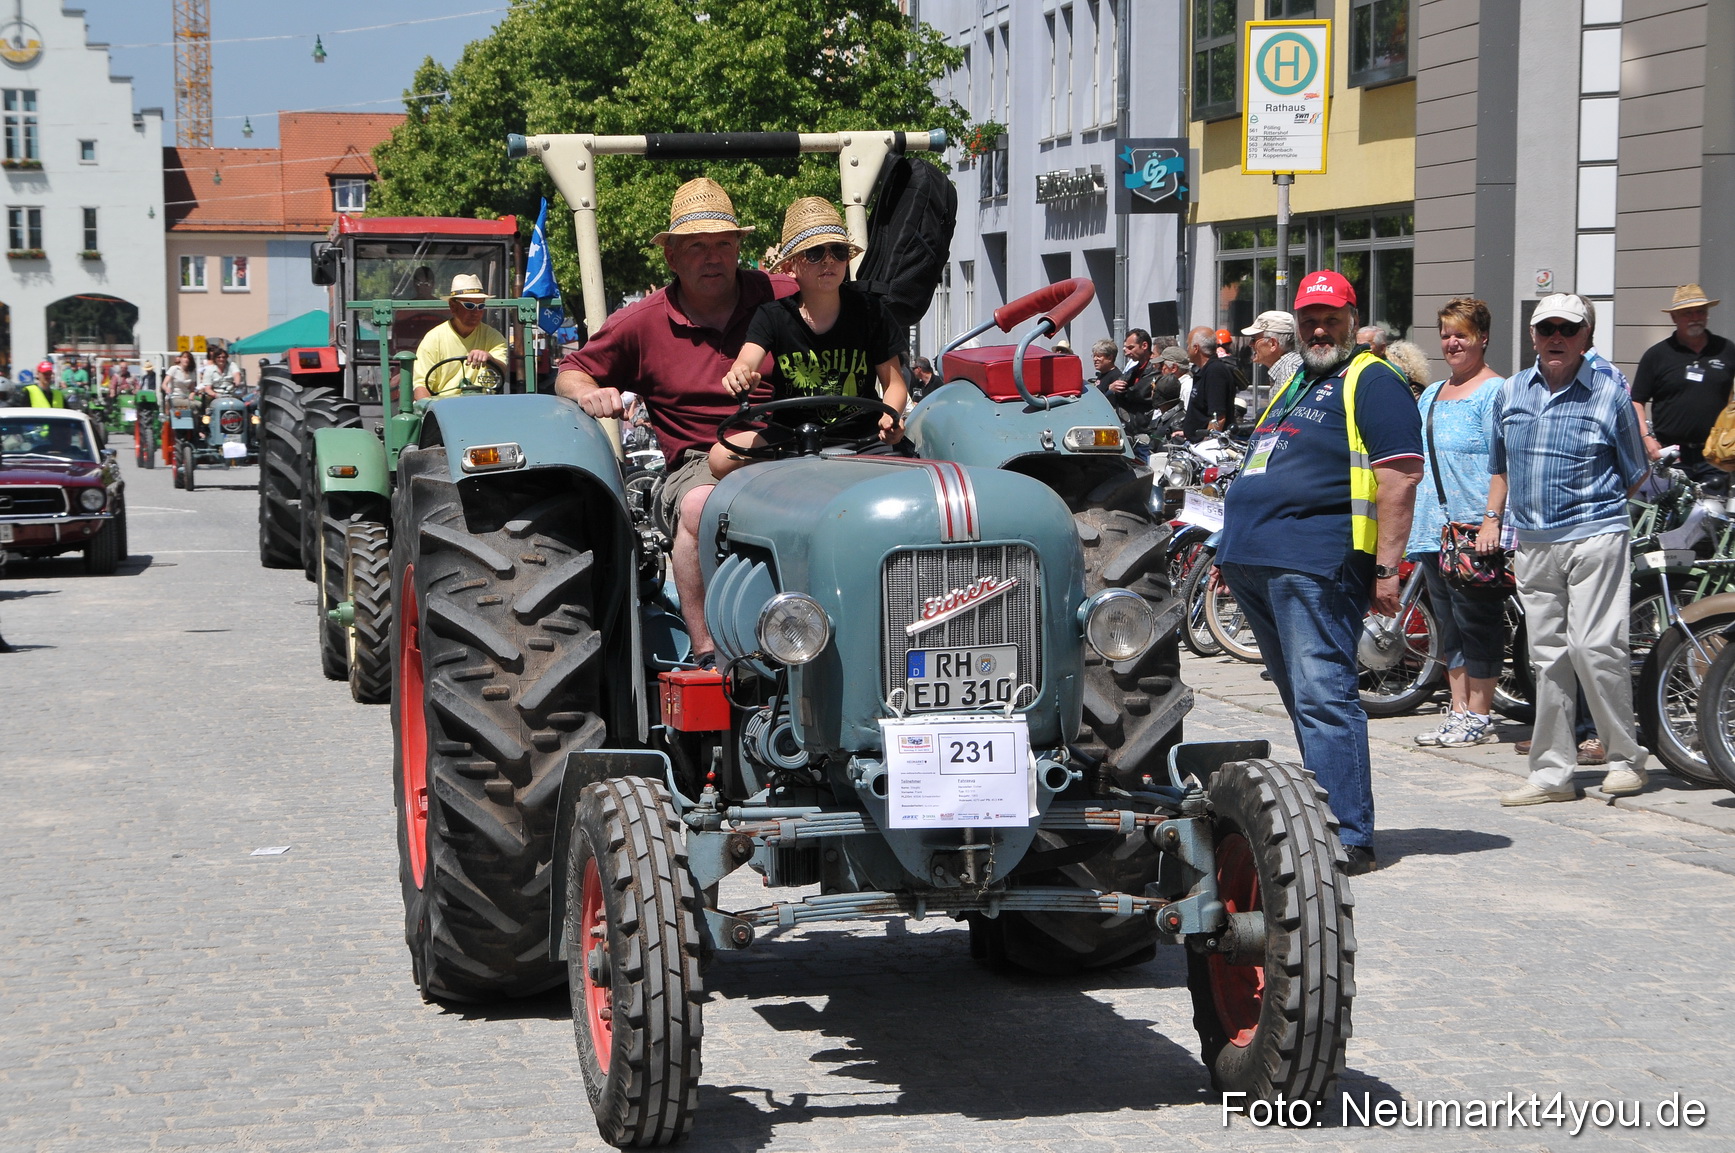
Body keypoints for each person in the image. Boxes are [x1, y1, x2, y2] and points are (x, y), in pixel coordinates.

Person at [1212, 269, 1424, 874]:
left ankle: (1349, 834)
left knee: (1324, 697)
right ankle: (1321, 818)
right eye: (1309, 318)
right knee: (1301, 697)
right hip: (1258, 562)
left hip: (1317, 562)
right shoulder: (1299, 379)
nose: (1319, 327)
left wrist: (1387, 569)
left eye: (1331, 318)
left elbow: (1400, 476)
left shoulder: (1372, 380)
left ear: (1353, 321)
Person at [556, 177, 796, 668]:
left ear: (739, 249)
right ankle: (708, 653)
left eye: (724, 244)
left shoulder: (783, 297)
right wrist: (590, 392)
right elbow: (571, 371)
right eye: (697, 247)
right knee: (700, 505)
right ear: (671, 257)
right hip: (698, 462)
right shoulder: (641, 323)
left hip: (793, 445)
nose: (713, 257)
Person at [1477, 294, 1650, 806]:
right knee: (1546, 657)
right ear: (1532, 335)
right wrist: (1495, 519)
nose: (1556, 337)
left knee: (1595, 648)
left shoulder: (1608, 392)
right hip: (1533, 541)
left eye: (1567, 329)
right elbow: (1500, 464)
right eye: (1546, 327)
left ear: (1585, 338)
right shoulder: (1509, 392)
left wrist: (1596, 516)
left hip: (1595, 534)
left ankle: (1624, 759)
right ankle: (1553, 774)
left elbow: (1635, 470)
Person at [712, 197, 906, 480]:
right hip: (791, 438)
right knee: (719, 457)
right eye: (815, 253)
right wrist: (741, 375)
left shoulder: (870, 311)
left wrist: (891, 417)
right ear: (790, 267)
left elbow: (894, 385)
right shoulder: (772, 316)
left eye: (838, 251)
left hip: (862, 436)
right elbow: (747, 360)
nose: (829, 260)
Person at [1404, 298, 1508, 749]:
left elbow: (1503, 464)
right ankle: (1459, 709)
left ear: (1483, 338)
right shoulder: (1431, 393)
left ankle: (1480, 715)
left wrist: (1491, 520)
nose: (1452, 342)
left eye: (1461, 334)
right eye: (1446, 333)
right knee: (1447, 624)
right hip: (1432, 529)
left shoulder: (1495, 392)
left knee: (1477, 622)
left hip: (1471, 529)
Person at [1632, 283, 1732, 493]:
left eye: (1700, 311)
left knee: (1712, 520)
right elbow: (1636, 401)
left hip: (1715, 457)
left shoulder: (1726, 350)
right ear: (1674, 318)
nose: (1695, 317)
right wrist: (1646, 439)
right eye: (1688, 313)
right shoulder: (1657, 355)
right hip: (1672, 455)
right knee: (1669, 522)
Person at [413, 274, 508, 400]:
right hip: (444, 410)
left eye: (481, 306)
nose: (476, 312)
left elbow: (502, 369)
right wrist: (430, 413)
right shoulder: (433, 339)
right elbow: (421, 387)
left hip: (483, 408)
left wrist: (490, 359)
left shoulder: (493, 337)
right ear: (453, 307)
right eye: (469, 306)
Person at [1181, 326, 1236, 441]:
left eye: (1188, 345)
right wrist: (1187, 432)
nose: (1186, 349)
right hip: (1194, 443)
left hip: (1205, 450)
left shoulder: (1215, 371)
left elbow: (1218, 418)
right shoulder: (1204, 370)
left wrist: (1205, 446)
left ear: (1196, 348)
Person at [1242, 310, 1301, 394]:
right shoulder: (1288, 368)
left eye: (1254, 339)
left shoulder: (1289, 371)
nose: (1250, 344)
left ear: (1273, 344)